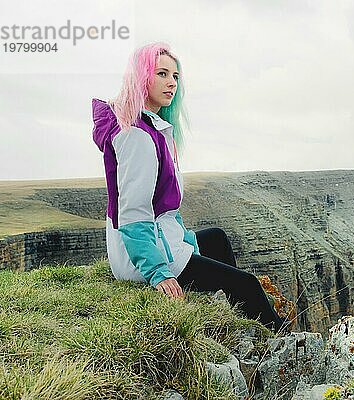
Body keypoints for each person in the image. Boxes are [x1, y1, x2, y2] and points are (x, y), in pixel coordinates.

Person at [91, 42, 288, 333]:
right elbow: (133, 212)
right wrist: (158, 272)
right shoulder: (138, 137)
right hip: (145, 255)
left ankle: (230, 307)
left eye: (175, 76)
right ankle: (279, 337)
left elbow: (167, 209)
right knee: (245, 284)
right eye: (161, 73)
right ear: (140, 77)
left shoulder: (155, 130)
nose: (171, 82)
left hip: (162, 240)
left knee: (216, 239)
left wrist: (187, 242)